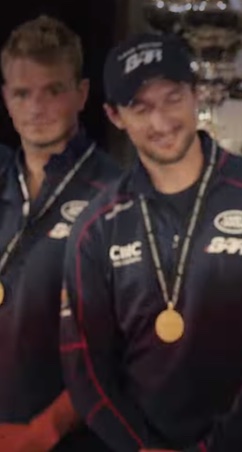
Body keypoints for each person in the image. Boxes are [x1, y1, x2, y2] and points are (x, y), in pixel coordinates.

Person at [59, 32, 242, 451]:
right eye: (140, 108)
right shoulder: (95, 227)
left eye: (172, 99)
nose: (161, 122)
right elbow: (85, 366)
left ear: (196, 94)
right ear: (114, 115)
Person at [0, 16, 121, 451]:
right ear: (6, 99)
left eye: (53, 90)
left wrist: (44, 430)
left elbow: (127, 342)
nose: (36, 108)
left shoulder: (116, 193)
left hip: (68, 438)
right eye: (22, 93)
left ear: (81, 94)